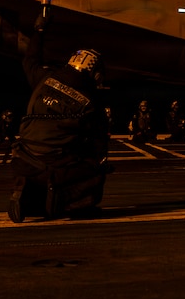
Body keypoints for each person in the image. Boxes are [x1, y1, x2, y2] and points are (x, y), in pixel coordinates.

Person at [8, 15, 111, 223]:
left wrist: (38, 31)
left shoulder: (45, 78)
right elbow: (98, 144)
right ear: (95, 74)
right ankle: (74, 206)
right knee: (97, 167)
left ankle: (25, 190)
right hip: (55, 166)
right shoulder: (91, 102)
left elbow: (30, 59)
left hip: (22, 160)